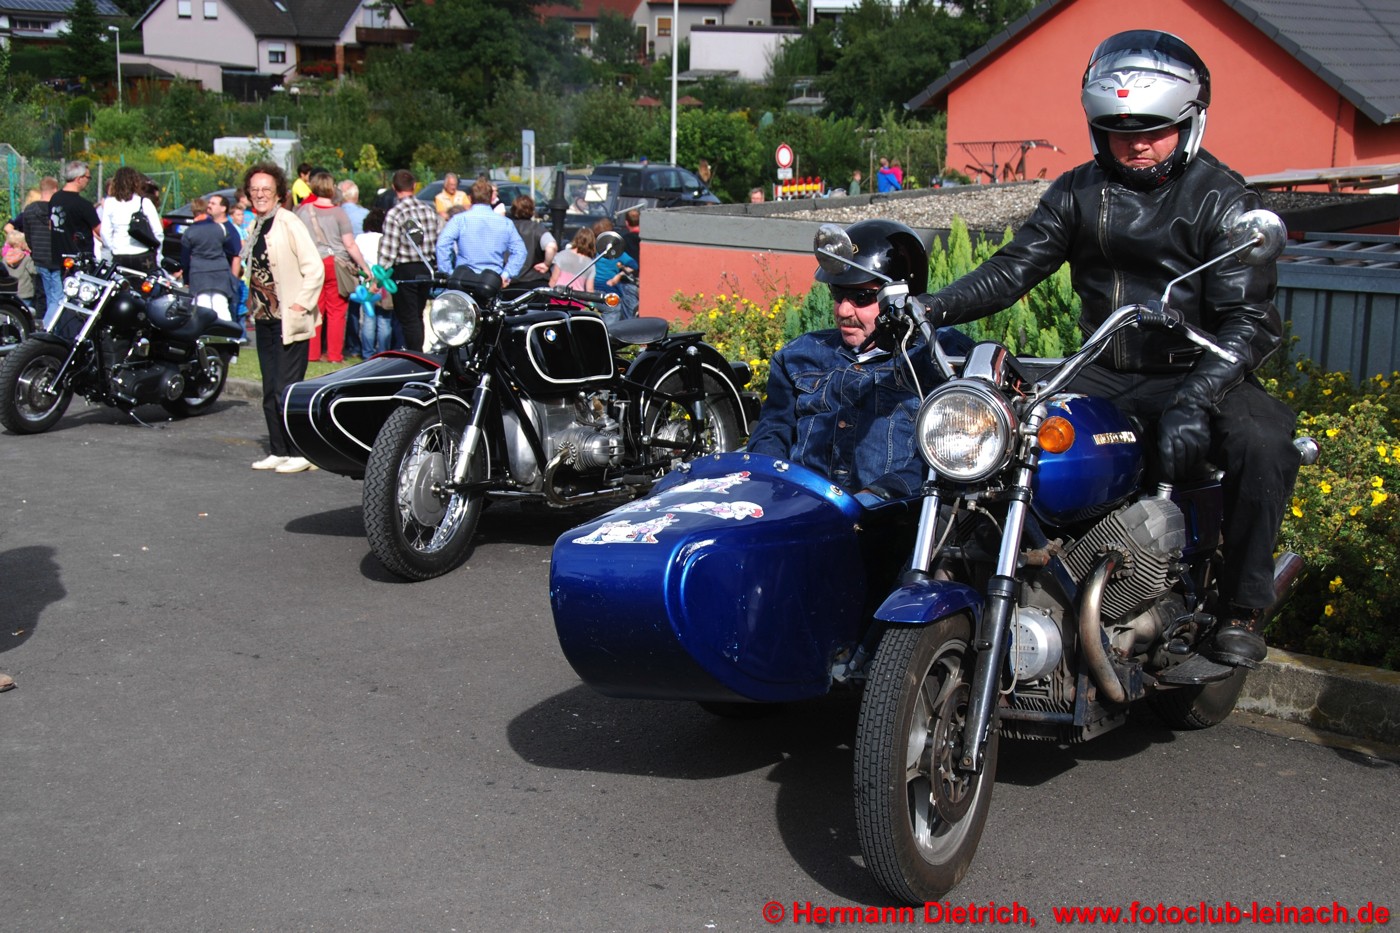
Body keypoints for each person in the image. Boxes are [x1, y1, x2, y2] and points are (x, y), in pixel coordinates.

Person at [915, 30, 1298, 669]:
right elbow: (1014, 267)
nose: (1137, 142)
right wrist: (934, 307)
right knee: (993, 440)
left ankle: (1242, 605)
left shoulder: (1223, 200)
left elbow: (1249, 320)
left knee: (1264, 442)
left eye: (1154, 129)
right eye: (1120, 129)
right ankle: (1013, 579)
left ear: (1189, 124)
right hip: (1104, 370)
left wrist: (1196, 398)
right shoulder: (1077, 192)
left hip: (1200, 370)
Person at [749, 220, 946, 499]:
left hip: (893, 519)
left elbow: (948, 453)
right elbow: (772, 434)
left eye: (861, 297)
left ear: (903, 296)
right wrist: (770, 486)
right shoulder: (798, 356)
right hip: (803, 510)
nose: (843, 310)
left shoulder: (937, 359)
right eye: (838, 294)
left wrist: (879, 494)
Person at [241, 161, 325, 474]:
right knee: (269, 389)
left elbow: (314, 267)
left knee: (286, 389)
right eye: (255, 190)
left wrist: (300, 305)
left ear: (278, 193)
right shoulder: (256, 224)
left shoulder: (288, 222)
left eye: (266, 189)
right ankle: (278, 449)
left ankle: (301, 452)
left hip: (288, 319)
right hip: (264, 318)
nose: (260, 194)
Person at [296, 170, 372, 363]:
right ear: (332, 188)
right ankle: (334, 354)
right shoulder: (339, 213)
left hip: (311, 263)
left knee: (314, 309)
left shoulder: (303, 211)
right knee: (337, 311)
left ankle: (312, 353)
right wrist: (364, 267)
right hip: (335, 263)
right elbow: (349, 244)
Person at [379, 169, 442, 353]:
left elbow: (389, 249)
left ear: (394, 187)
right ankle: (417, 350)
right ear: (414, 186)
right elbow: (439, 241)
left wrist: (380, 274)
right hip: (425, 268)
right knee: (418, 314)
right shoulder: (429, 211)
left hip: (405, 269)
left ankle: (416, 354)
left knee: (408, 318)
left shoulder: (395, 213)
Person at [434, 177, 526, 282]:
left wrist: (448, 273)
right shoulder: (505, 223)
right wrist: (506, 275)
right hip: (492, 280)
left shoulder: (459, 220)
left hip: (464, 279)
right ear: (491, 198)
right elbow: (520, 251)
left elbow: (442, 244)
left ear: (470, 198)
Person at [181, 193, 242, 325]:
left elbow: (185, 260)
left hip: (199, 273)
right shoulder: (221, 228)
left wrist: (186, 279)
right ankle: (228, 334)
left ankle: (206, 335)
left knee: (202, 308)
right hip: (220, 272)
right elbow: (232, 251)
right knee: (222, 307)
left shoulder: (189, 232)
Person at [8, 177, 58, 317]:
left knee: (42, 294)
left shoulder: (29, 210)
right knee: (56, 296)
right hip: (55, 257)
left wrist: (32, 248)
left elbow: (28, 235)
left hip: (38, 256)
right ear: (55, 190)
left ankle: (42, 320)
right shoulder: (56, 209)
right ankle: (51, 323)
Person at [355, 207, 393, 357]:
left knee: (368, 318)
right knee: (384, 319)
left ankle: (367, 353)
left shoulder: (360, 238)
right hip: (384, 281)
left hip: (366, 282)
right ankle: (383, 352)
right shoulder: (387, 239)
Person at [50, 161, 102, 263]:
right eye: (88, 177)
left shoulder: (55, 198)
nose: (88, 181)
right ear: (79, 179)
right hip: (80, 259)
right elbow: (100, 231)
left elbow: (50, 225)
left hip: (60, 257)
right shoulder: (83, 205)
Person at [507, 194, 557, 289]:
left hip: (509, 282)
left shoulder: (506, 227)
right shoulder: (538, 228)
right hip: (534, 281)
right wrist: (546, 264)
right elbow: (551, 246)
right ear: (532, 210)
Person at [549, 226, 596, 290]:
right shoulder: (590, 264)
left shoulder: (562, 255)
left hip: (558, 294)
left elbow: (553, 280)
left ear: (576, 239)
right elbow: (589, 289)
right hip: (576, 295)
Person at [3, 229, 36, 303]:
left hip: (10, 292)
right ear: (21, 243)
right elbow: (34, 271)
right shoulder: (26, 258)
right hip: (25, 293)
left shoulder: (6, 258)